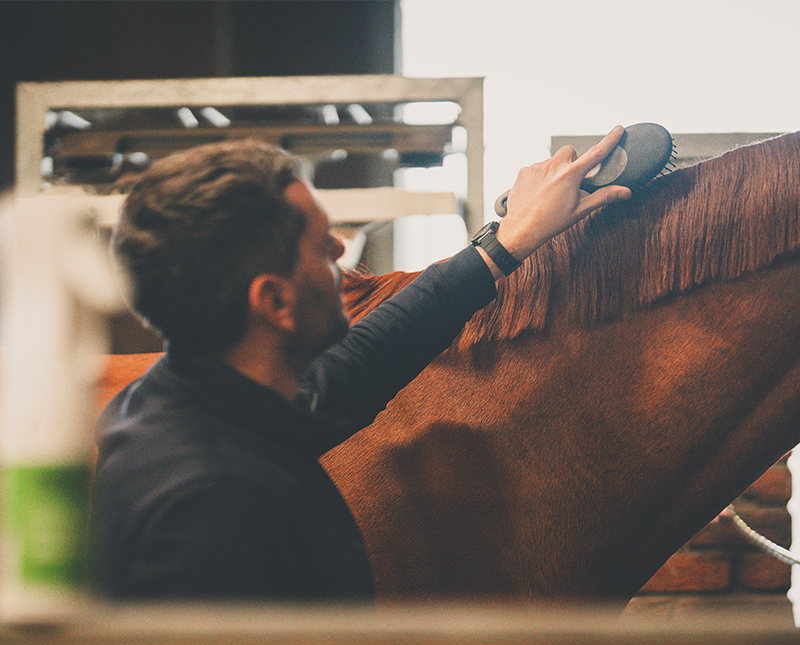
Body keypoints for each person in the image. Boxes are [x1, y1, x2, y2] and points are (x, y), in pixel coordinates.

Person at [91, 128, 631, 602]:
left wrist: (507, 243)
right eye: (324, 247)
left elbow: (362, 363)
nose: (343, 249)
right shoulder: (215, 504)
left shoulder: (190, 404)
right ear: (275, 303)